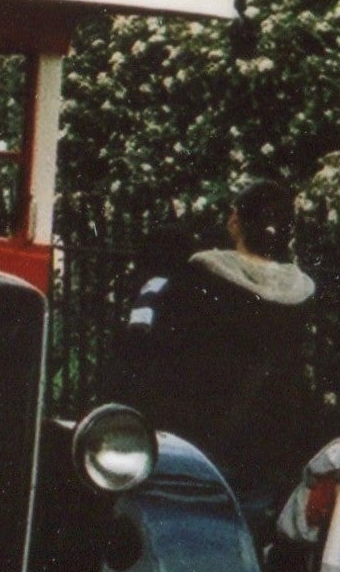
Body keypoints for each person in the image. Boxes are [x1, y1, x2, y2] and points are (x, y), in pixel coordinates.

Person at [104, 177, 318, 525]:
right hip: (260, 455)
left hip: (194, 446)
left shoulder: (198, 279)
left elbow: (160, 364)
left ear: (234, 221)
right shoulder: (301, 297)